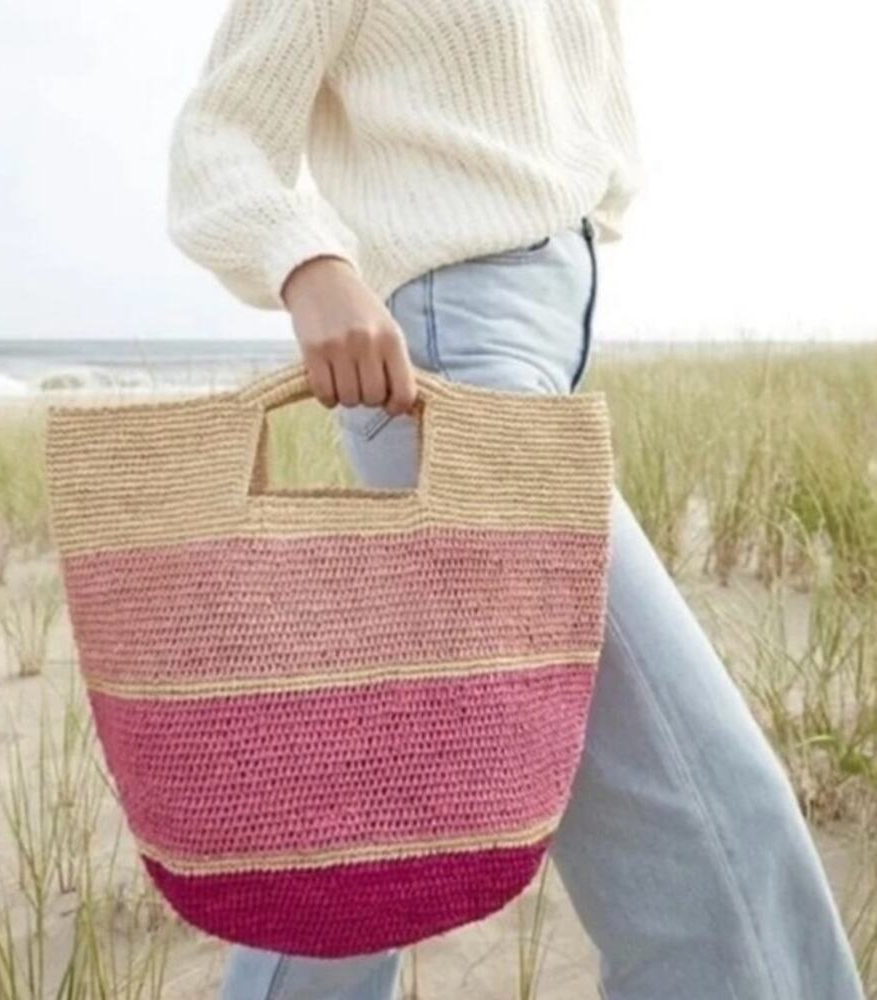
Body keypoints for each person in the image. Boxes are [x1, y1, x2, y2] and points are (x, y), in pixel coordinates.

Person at [165, 2, 866, 998]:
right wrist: (312, 265)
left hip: (535, 336)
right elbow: (218, 132)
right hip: (452, 358)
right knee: (704, 808)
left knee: (388, 803)